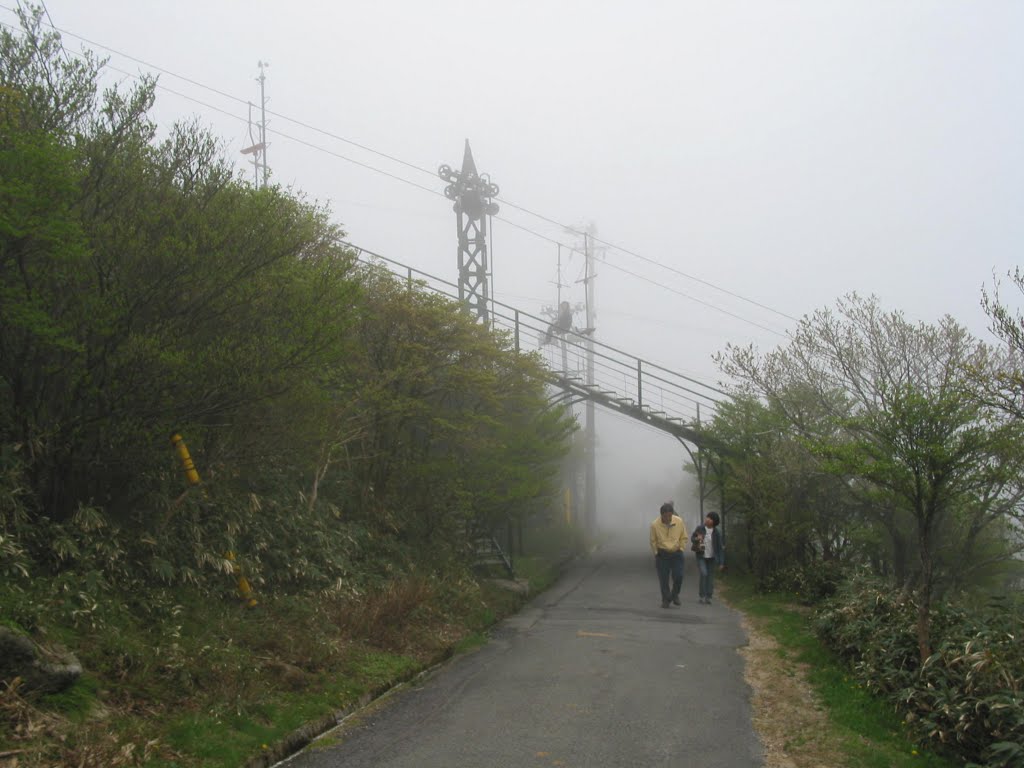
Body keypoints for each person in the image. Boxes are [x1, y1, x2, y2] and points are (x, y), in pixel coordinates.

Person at [649, 501, 687, 608]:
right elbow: (653, 540)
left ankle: (675, 595)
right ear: (661, 515)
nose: (668, 519)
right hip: (662, 554)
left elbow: (684, 536)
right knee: (663, 579)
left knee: (678, 576)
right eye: (666, 516)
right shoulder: (655, 525)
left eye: (670, 516)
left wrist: (681, 548)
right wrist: (656, 553)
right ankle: (665, 599)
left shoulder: (678, 521)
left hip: (676, 553)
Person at [691, 511, 724, 604]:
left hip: (712, 558)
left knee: (710, 577)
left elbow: (719, 548)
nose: (707, 519)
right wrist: (696, 539)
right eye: (707, 517)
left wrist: (721, 562)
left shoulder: (716, 532)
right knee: (704, 574)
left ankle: (708, 596)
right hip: (701, 556)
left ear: (713, 521)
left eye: (709, 518)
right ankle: (702, 595)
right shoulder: (700, 528)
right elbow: (692, 538)